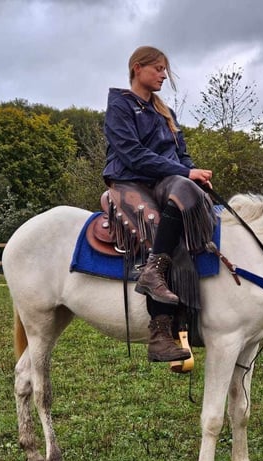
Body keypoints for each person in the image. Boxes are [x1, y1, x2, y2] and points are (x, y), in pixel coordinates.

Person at [103, 46, 216, 363]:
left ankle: (171, 282)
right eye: (159, 69)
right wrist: (184, 173)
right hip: (130, 180)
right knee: (162, 219)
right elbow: (132, 154)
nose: (164, 75)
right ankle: (159, 332)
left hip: (165, 179)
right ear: (138, 69)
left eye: (165, 70)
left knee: (193, 196)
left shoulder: (166, 112)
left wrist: (195, 174)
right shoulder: (121, 106)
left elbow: (182, 155)